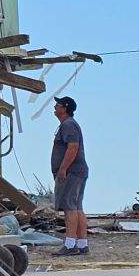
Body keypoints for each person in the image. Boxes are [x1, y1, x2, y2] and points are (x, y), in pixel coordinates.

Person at [51, 96, 89, 255]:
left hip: (72, 172)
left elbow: (73, 147)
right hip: (78, 171)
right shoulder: (68, 125)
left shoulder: (68, 125)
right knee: (77, 207)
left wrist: (63, 169)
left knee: (69, 208)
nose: (54, 106)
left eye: (57, 105)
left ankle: (70, 245)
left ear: (65, 108)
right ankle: (82, 244)